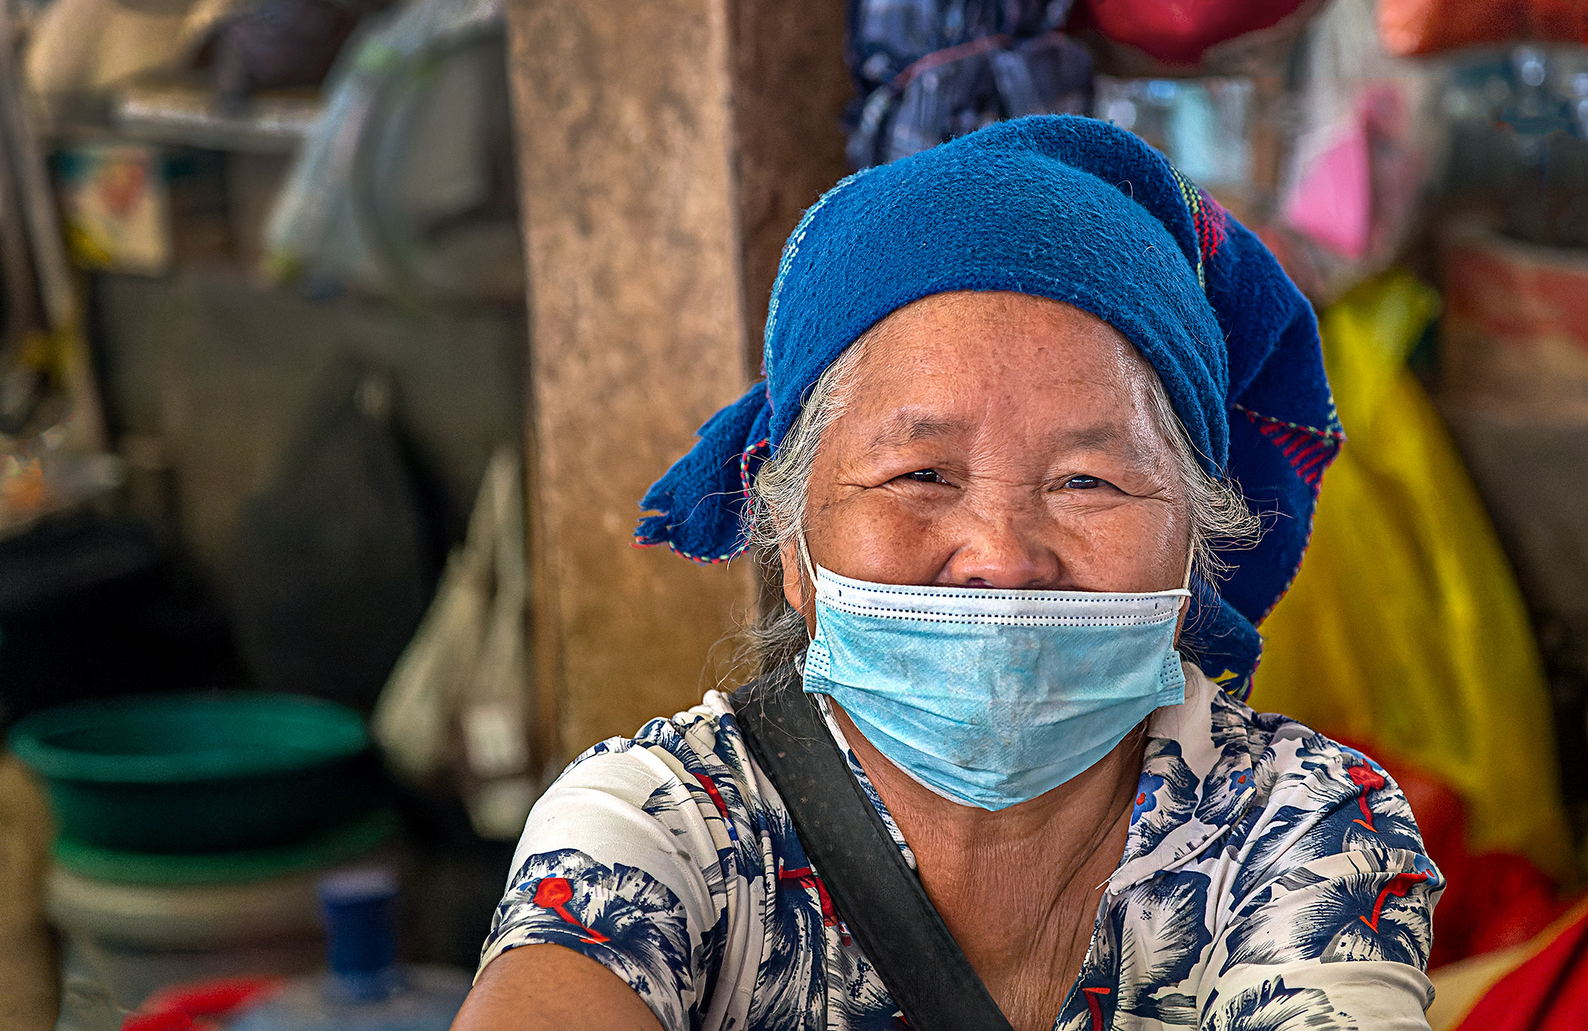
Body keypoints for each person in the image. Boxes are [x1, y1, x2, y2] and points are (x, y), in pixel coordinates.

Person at [451, 115, 1443, 1031]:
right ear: (791, 544)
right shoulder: (666, 825)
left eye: (1089, 480)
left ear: (1193, 547)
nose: (1002, 559)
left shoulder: (1295, 819)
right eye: (919, 474)